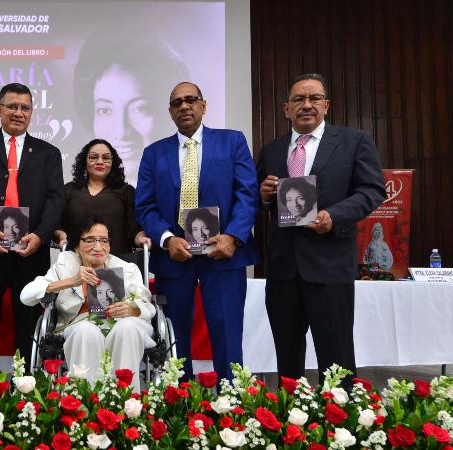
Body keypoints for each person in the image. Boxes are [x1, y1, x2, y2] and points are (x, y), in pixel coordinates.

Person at [258, 73, 386, 387]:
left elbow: (372, 191)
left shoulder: (354, 141)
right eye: (298, 99)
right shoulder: (271, 151)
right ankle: (289, 424)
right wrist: (262, 195)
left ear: (326, 105)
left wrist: (333, 216)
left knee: (337, 359)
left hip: (330, 267)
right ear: (286, 109)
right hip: (283, 270)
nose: (306, 105)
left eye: (314, 98)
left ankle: (342, 429)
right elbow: (260, 203)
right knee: (287, 361)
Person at [136, 81, 259, 380]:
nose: (184, 106)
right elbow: (145, 206)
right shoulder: (154, 153)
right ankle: (181, 402)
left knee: (228, 332)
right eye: (177, 103)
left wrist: (233, 236)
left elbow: (247, 193)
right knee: (174, 340)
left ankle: (231, 401)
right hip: (175, 259)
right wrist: (166, 240)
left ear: (203, 106)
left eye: (190, 100)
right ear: (170, 112)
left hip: (224, 255)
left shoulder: (232, 142)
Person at [0, 82, 65, 375]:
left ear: (32, 112)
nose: (18, 113)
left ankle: (26, 383)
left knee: (27, 320)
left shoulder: (48, 152)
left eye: (25, 108)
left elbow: (56, 199)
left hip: (30, 252)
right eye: (12, 106)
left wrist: (40, 235)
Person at [21, 216, 154, 391]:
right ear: (76, 245)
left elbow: (148, 306)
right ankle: (87, 404)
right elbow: (26, 296)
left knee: (127, 328)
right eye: (90, 240)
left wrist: (132, 309)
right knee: (86, 331)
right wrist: (71, 281)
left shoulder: (127, 268)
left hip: (121, 321)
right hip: (79, 323)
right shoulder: (65, 264)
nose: (98, 247)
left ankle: (127, 402)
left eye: (104, 241)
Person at [73, 29, 189, 186]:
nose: (121, 132)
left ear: (168, 115)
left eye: (139, 108)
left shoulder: (188, 184)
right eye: (105, 110)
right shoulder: (76, 195)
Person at [55, 139, 151, 255]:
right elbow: (56, 223)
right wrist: (61, 236)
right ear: (84, 161)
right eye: (93, 157)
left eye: (105, 158)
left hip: (117, 264)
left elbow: (135, 229)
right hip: (76, 264)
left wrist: (141, 238)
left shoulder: (126, 191)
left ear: (113, 163)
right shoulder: (69, 190)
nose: (100, 161)